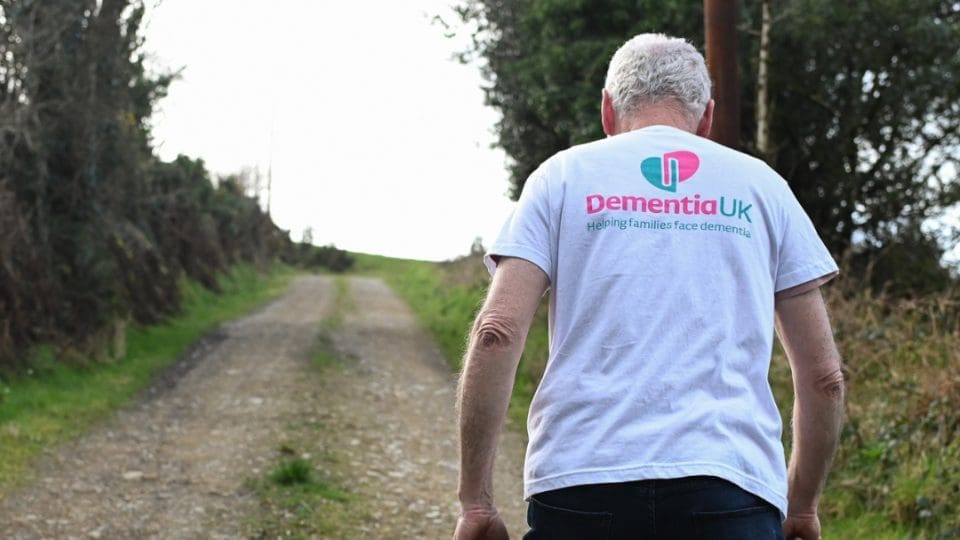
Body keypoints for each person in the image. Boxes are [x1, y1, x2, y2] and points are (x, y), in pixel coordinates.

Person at [453, 33, 845, 540]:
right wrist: (803, 506)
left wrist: (476, 503)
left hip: (582, 484)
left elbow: (496, 332)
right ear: (706, 118)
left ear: (607, 111)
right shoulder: (764, 188)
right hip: (731, 489)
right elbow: (824, 377)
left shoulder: (561, 177)